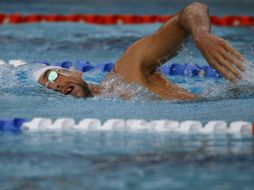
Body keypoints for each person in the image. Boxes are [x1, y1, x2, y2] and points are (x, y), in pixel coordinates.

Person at [33, 2, 245, 100]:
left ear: (74, 72)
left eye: (52, 76)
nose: (55, 86)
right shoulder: (106, 106)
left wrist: (201, 35)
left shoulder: (126, 71)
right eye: (49, 88)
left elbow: (193, 10)